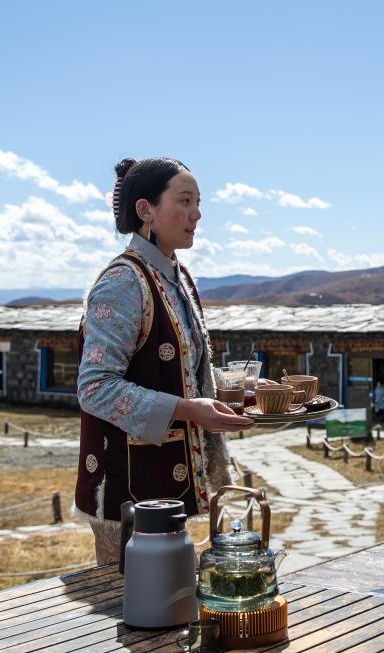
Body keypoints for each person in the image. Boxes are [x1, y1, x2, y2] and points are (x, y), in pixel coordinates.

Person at [75, 157, 254, 565]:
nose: (197, 214)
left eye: (198, 202)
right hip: (126, 489)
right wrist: (187, 410)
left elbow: (183, 370)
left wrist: (240, 391)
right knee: (131, 596)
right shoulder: (123, 283)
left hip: (166, 482)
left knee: (170, 595)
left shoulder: (178, 277)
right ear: (145, 210)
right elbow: (95, 388)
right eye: (185, 201)